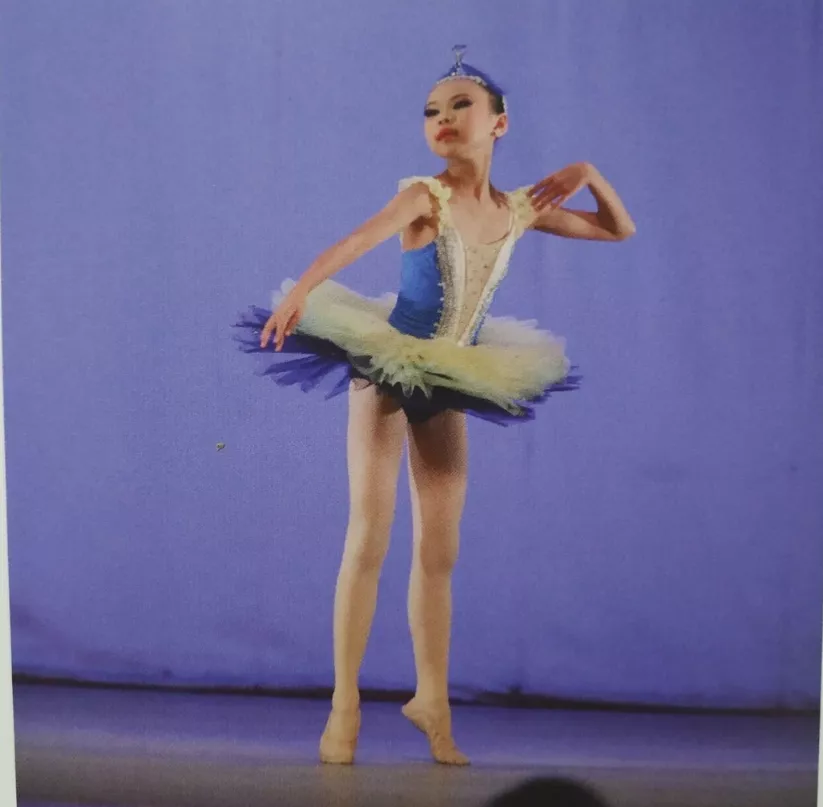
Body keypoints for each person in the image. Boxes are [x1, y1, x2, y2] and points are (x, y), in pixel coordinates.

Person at [235, 45, 635, 766]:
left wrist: (587, 173)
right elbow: (359, 239)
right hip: (390, 365)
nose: (442, 118)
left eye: (459, 105)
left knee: (440, 550)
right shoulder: (427, 196)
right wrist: (301, 293)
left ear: (499, 123)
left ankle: (433, 703)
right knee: (369, 534)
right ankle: (345, 705)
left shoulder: (518, 210)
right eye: (430, 110)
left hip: (454, 373)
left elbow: (617, 229)